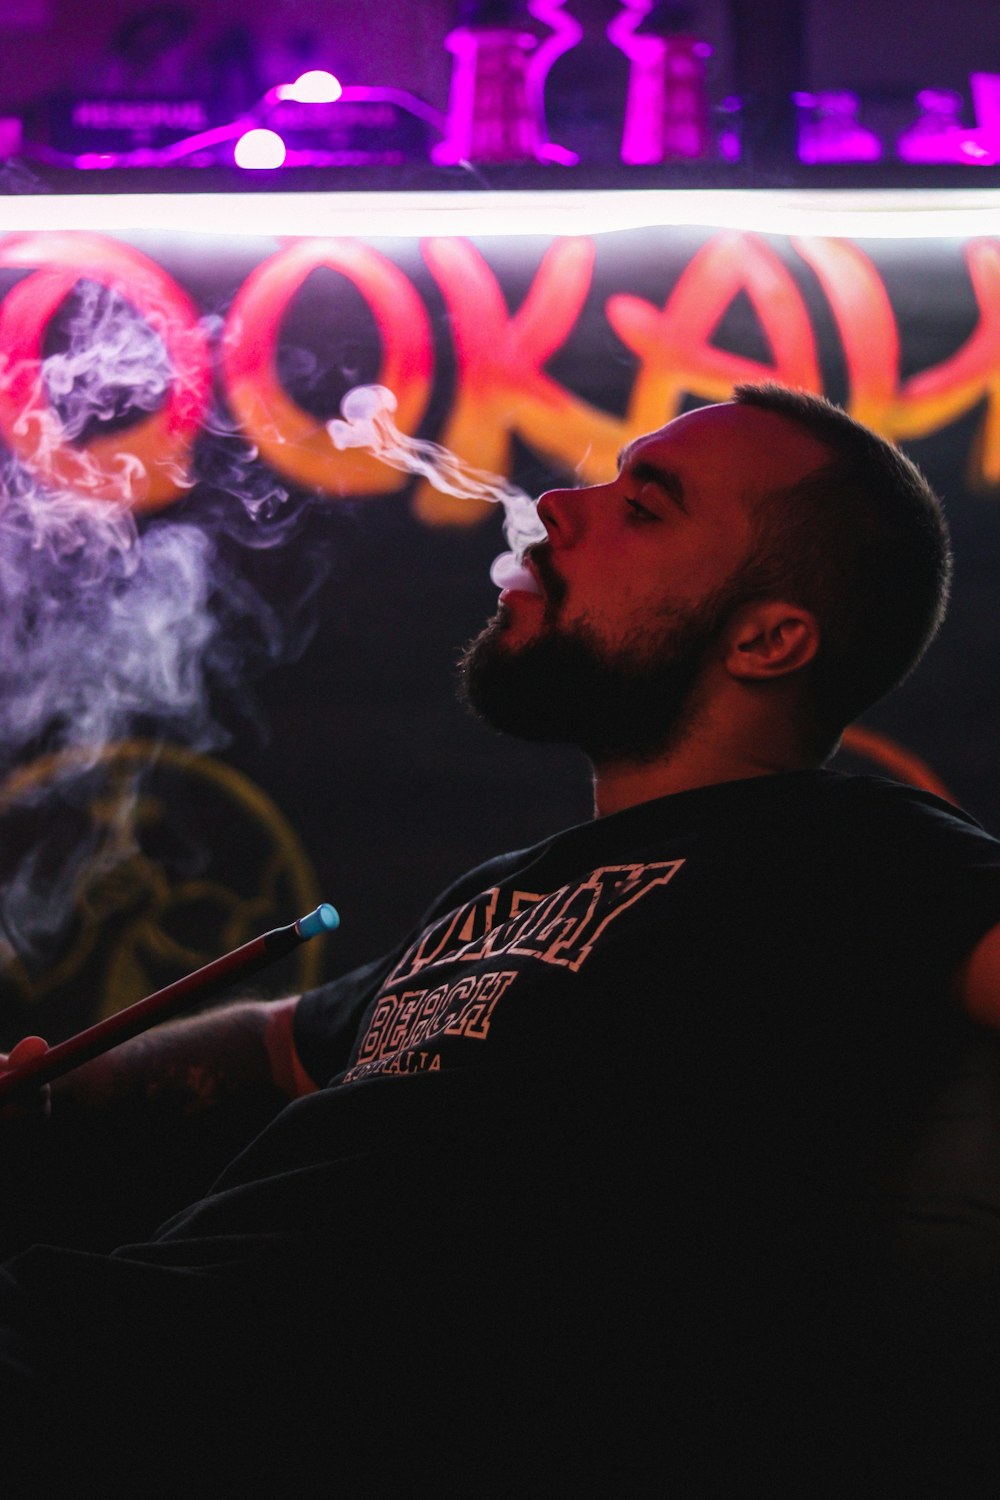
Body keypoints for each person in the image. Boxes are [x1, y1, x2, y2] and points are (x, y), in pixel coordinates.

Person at [2, 381, 1000, 1492]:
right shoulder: (501, 896)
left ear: (767, 639)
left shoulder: (854, 854)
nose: (559, 507)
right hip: (108, 1344)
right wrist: (52, 1096)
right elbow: (283, 1039)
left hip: (256, 1412)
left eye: (645, 508)